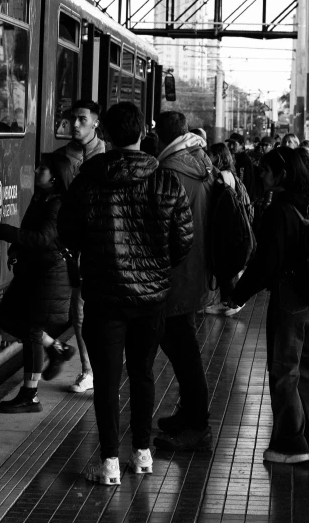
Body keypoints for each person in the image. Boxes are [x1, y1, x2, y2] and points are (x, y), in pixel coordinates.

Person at [58, 102, 194, 485]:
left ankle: (108, 463)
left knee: (106, 378)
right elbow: (184, 240)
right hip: (151, 298)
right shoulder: (166, 181)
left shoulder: (88, 179)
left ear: (109, 135)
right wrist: (158, 266)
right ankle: (142, 453)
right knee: (143, 373)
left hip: (103, 296)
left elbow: (66, 232)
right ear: (140, 135)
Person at [228, 147, 309, 464]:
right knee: (306, 364)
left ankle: (289, 444)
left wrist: (238, 293)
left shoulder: (280, 211)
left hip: (292, 296)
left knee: (284, 369)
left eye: (266, 169)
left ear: (282, 175)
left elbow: (266, 264)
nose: (261, 174)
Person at [0, 152, 75, 413]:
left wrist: (1, 231)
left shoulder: (58, 203)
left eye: (42, 168)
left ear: (54, 176)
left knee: (31, 330)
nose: (36, 171)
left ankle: (29, 395)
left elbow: (42, 238)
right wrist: (16, 250)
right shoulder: (40, 197)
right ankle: (56, 347)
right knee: (7, 318)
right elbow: (30, 232)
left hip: (49, 274)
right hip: (33, 271)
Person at [153, 112, 216, 451]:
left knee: (183, 350)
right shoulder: (201, 163)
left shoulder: (170, 172)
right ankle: (189, 412)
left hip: (175, 274)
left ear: (160, 136)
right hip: (197, 271)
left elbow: (162, 231)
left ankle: (198, 424)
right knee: (183, 347)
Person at [56, 99, 105, 393]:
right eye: (73, 118)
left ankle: (102, 368)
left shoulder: (108, 155)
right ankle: (88, 371)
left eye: (82, 119)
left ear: (95, 122)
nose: (75, 124)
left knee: (103, 313)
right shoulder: (62, 158)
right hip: (76, 246)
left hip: (103, 244)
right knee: (80, 311)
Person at [206, 142, 254, 316]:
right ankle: (227, 300)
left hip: (229, 227)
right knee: (228, 264)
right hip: (234, 226)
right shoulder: (229, 174)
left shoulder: (223, 175)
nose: (207, 158)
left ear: (218, 157)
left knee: (227, 264)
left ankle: (232, 301)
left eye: (210, 154)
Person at [226, 132, 257, 201]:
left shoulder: (243, 160)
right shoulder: (236, 158)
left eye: (234, 144)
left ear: (242, 145)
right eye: (230, 144)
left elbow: (242, 181)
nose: (230, 147)